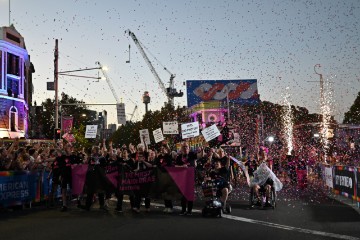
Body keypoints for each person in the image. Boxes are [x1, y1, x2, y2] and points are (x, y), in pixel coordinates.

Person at [175, 142, 197, 216]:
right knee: (183, 195)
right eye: (183, 147)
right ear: (181, 148)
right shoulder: (179, 157)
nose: (185, 148)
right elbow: (175, 166)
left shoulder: (192, 154)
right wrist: (182, 167)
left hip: (190, 177)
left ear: (189, 148)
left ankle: (189, 211)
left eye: (186, 147)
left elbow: (200, 155)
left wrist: (202, 150)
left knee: (190, 194)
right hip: (182, 178)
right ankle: (183, 210)